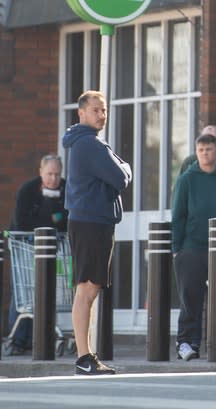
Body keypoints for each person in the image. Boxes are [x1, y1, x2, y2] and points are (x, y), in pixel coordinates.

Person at [62, 90, 132, 375]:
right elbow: (121, 177)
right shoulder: (89, 144)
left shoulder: (89, 143)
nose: (101, 115)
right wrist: (125, 167)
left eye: (104, 110)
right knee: (87, 289)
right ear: (81, 113)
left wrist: (122, 168)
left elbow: (119, 175)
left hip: (94, 222)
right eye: (95, 110)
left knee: (89, 290)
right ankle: (83, 357)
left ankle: (87, 355)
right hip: (90, 223)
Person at [172, 133, 216, 362]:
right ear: (196, 151)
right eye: (201, 149)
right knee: (190, 297)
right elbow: (178, 215)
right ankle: (185, 342)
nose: (205, 153)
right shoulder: (187, 179)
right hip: (192, 247)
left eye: (209, 149)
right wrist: (177, 248)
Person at [6, 154, 68, 354]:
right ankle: (19, 340)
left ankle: (40, 338)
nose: (53, 179)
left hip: (54, 251)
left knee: (50, 290)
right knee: (24, 293)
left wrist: (51, 218)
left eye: (57, 174)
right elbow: (22, 221)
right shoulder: (28, 191)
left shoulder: (67, 189)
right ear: (41, 172)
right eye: (49, 174)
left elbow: (67, 219)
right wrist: (51, 218)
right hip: (26, 247)